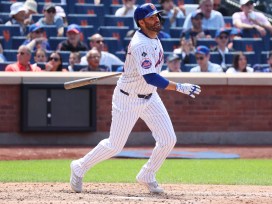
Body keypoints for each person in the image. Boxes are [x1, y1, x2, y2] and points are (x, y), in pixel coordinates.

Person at [70, 3, 201, 194]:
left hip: (149, 96)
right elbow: (151, 77)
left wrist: (131, 67)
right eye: (151, 17)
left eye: (157, 16)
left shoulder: (153, 37)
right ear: (141, 22)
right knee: (115, 145)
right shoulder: (141, 43)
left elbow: (149, 72)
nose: (156, 19)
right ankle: (79, 166)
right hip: (128, 99)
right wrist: (180, 87)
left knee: (168, 139)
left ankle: (147, 174)